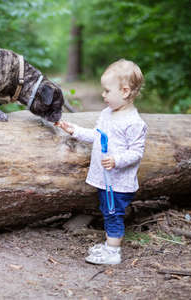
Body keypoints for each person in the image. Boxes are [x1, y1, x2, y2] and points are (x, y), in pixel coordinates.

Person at [55, 59, 148, 265]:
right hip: (106, 179)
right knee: (107, 211)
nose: (103, 95)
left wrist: (117, 160)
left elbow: (136, 152)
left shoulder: (134, 123)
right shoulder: (108, 114)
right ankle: (109, 245)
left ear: (124, 91)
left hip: (119, 183)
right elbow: (99, 136)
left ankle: (113, 251)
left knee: (112, 214)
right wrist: (76, 131)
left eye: (107, 91)